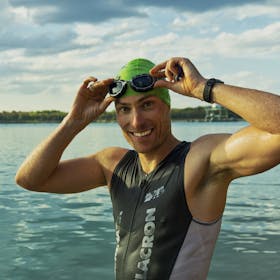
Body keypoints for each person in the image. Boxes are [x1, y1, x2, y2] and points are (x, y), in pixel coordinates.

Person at [15, 57, 280, 280]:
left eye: (147, 105)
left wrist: (204, 88)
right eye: (124, 109)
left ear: (167, 106)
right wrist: (73, 121)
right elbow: (30, 179)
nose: (136, 121)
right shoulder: (113, 165)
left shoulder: (200, 161)